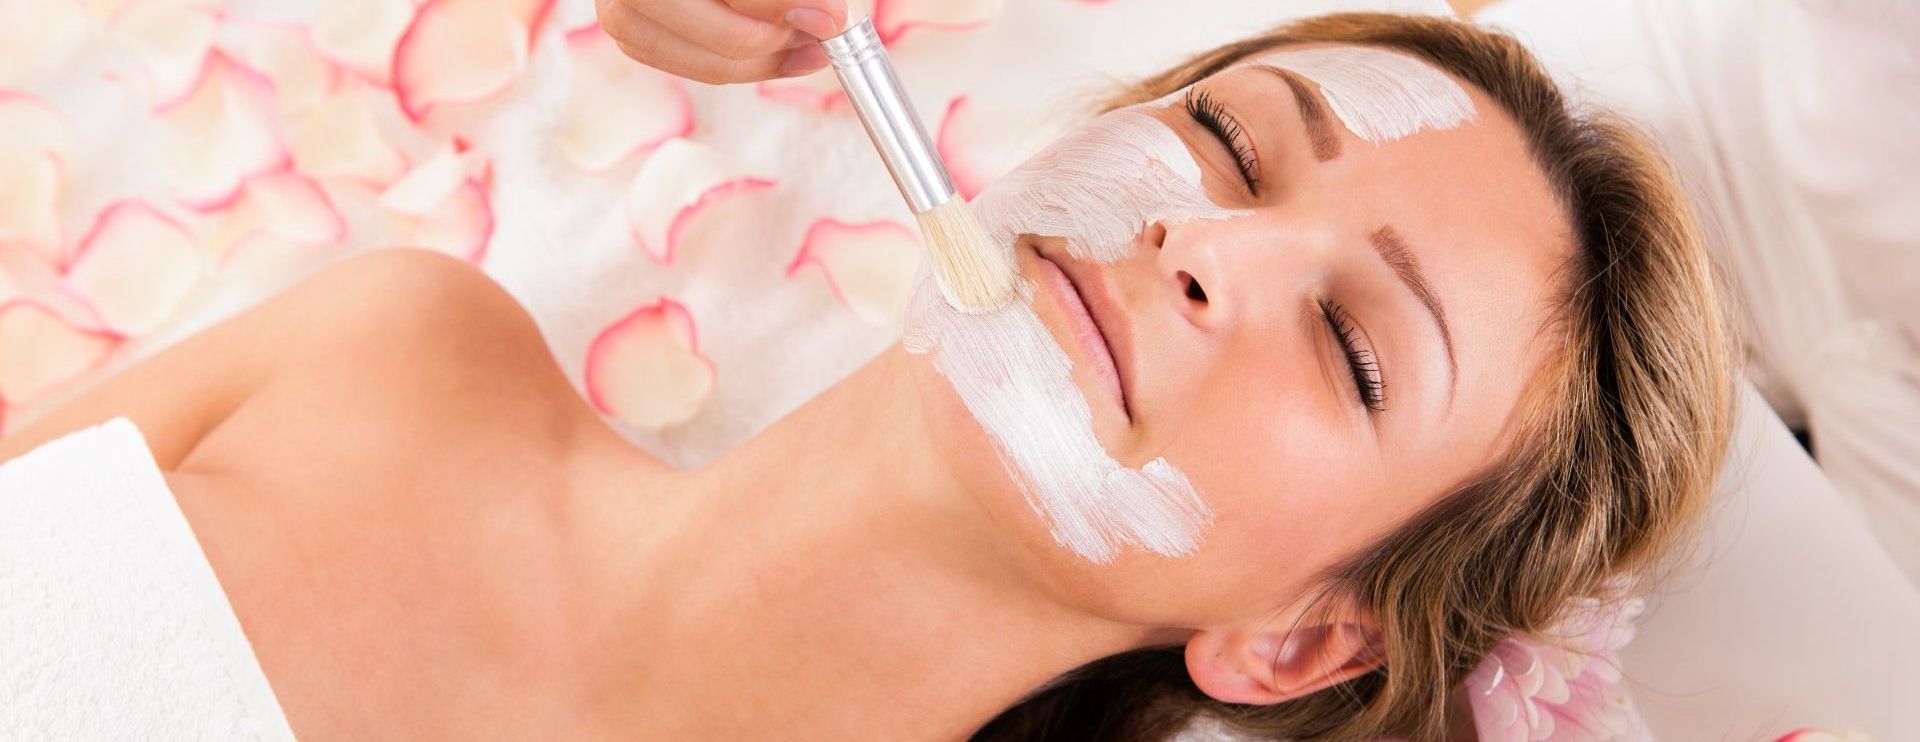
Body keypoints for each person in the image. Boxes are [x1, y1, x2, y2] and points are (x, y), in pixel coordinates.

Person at [0, 10, 1733, 741]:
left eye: (1358, 350)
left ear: (1297, 639)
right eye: (1226, 134)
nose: (1210, 239)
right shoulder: (396, 355)